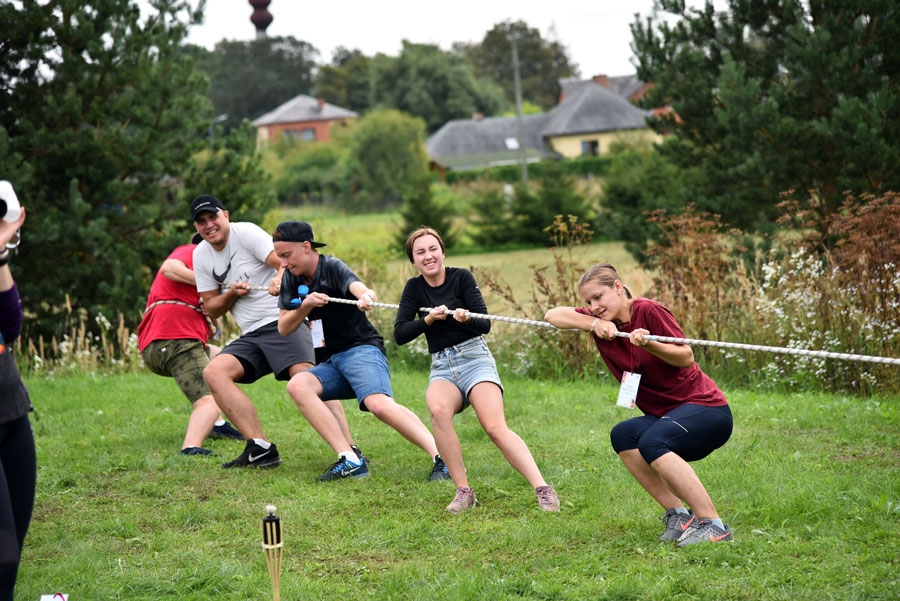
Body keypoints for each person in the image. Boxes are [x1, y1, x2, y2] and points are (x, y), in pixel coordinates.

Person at [544, 263, 733, 546]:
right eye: (588, 301)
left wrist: (649, 344)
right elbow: (553, 315)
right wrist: (594, 324)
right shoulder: (601, 321)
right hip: (666, 415)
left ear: (618, 287)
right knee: (624, 435)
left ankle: (714, 525)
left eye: (598, 297)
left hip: (707, 410)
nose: (594, 306)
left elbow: (686, 357)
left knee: (652, 441)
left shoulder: (647, 310)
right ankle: (680, 515)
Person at [394, 227, 559, 513]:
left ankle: (543, 488)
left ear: (442, 252)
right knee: (438, 411)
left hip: (474, 359)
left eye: (433, 249)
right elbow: (400, 334)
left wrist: (466, 319)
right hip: (442, 365)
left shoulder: (461, 278)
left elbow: (485, 324)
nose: (428, 256)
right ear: (413, 260)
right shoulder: (414, 288)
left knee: (494, 427)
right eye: (420, 252)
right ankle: (463, 491)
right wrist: (428, 320)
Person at [191, 196, 360, 469]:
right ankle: (260, 447)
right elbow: (211, 307)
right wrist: (231, 294)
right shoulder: (200, 254)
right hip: (251, 333)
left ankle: (350, 450)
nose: (209, 225)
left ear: (226, 215)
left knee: (306, 377)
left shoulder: (246, 233)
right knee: (214, 372)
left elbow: (284, 261)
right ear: (196, 227)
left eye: (213, 217)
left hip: (281, 320)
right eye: (202, 221)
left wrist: (280, 279)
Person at [272, 220, 447, 482]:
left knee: (379, 405)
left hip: (361, 350)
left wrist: (366, 297)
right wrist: (305, 306)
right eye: (280, 257)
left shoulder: (331, 266)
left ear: (306, 247)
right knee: (298, 385)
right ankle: (351, 459)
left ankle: (443, 457)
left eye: (287, 255)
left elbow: (360, 288)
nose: (283, 263)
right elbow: (284, 328)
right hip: (330, 361)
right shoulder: (290, 277)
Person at [137, 233, 245, 456]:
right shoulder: (193, 251)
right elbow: (169, 268)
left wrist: (212, 310)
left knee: (220, 359)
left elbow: (213, 330)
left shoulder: (199, 283)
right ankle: (191, 447)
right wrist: (209, 283)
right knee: (208, 401)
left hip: (168, 342)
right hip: (175, 340)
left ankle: (217, 424)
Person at [0, 207, 35, 600]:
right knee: (3, 557)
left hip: (11, 413)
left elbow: (9, 327)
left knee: (14, 550)